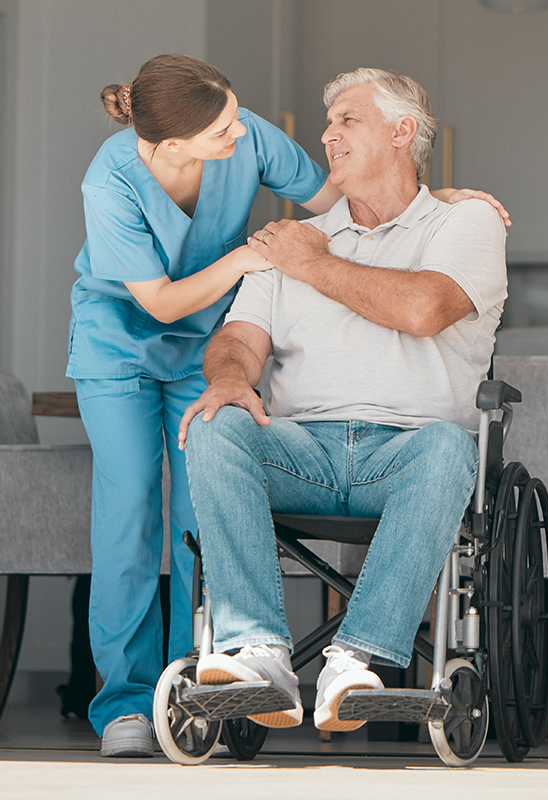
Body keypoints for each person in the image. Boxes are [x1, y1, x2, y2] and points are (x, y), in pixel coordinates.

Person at [179, 67, 508, 733]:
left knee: (451, 447)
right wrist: (230, 376)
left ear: (401, 130)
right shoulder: (291, 239)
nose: (326, 136)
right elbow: (238, 338)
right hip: (301, 452)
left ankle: (355, 663)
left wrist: (311, 265)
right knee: (217, 424)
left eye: (345, 121)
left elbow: (421, 308)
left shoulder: (466, 221)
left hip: (410, 455)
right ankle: (258, 654)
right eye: (327, 123)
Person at [66, 53, 343, 757]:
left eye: (233, 115)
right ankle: (124, 704)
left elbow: (332, 203)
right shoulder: (111, 180)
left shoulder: (242, 132)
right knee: (129, 515)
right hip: (118, 349)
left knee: (207, 515)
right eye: (220, 128)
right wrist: (247, 258)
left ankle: (200, 694)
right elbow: (157, 299)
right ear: (168, 145)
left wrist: (439, 204)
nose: (237, 134)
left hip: (209, 352)